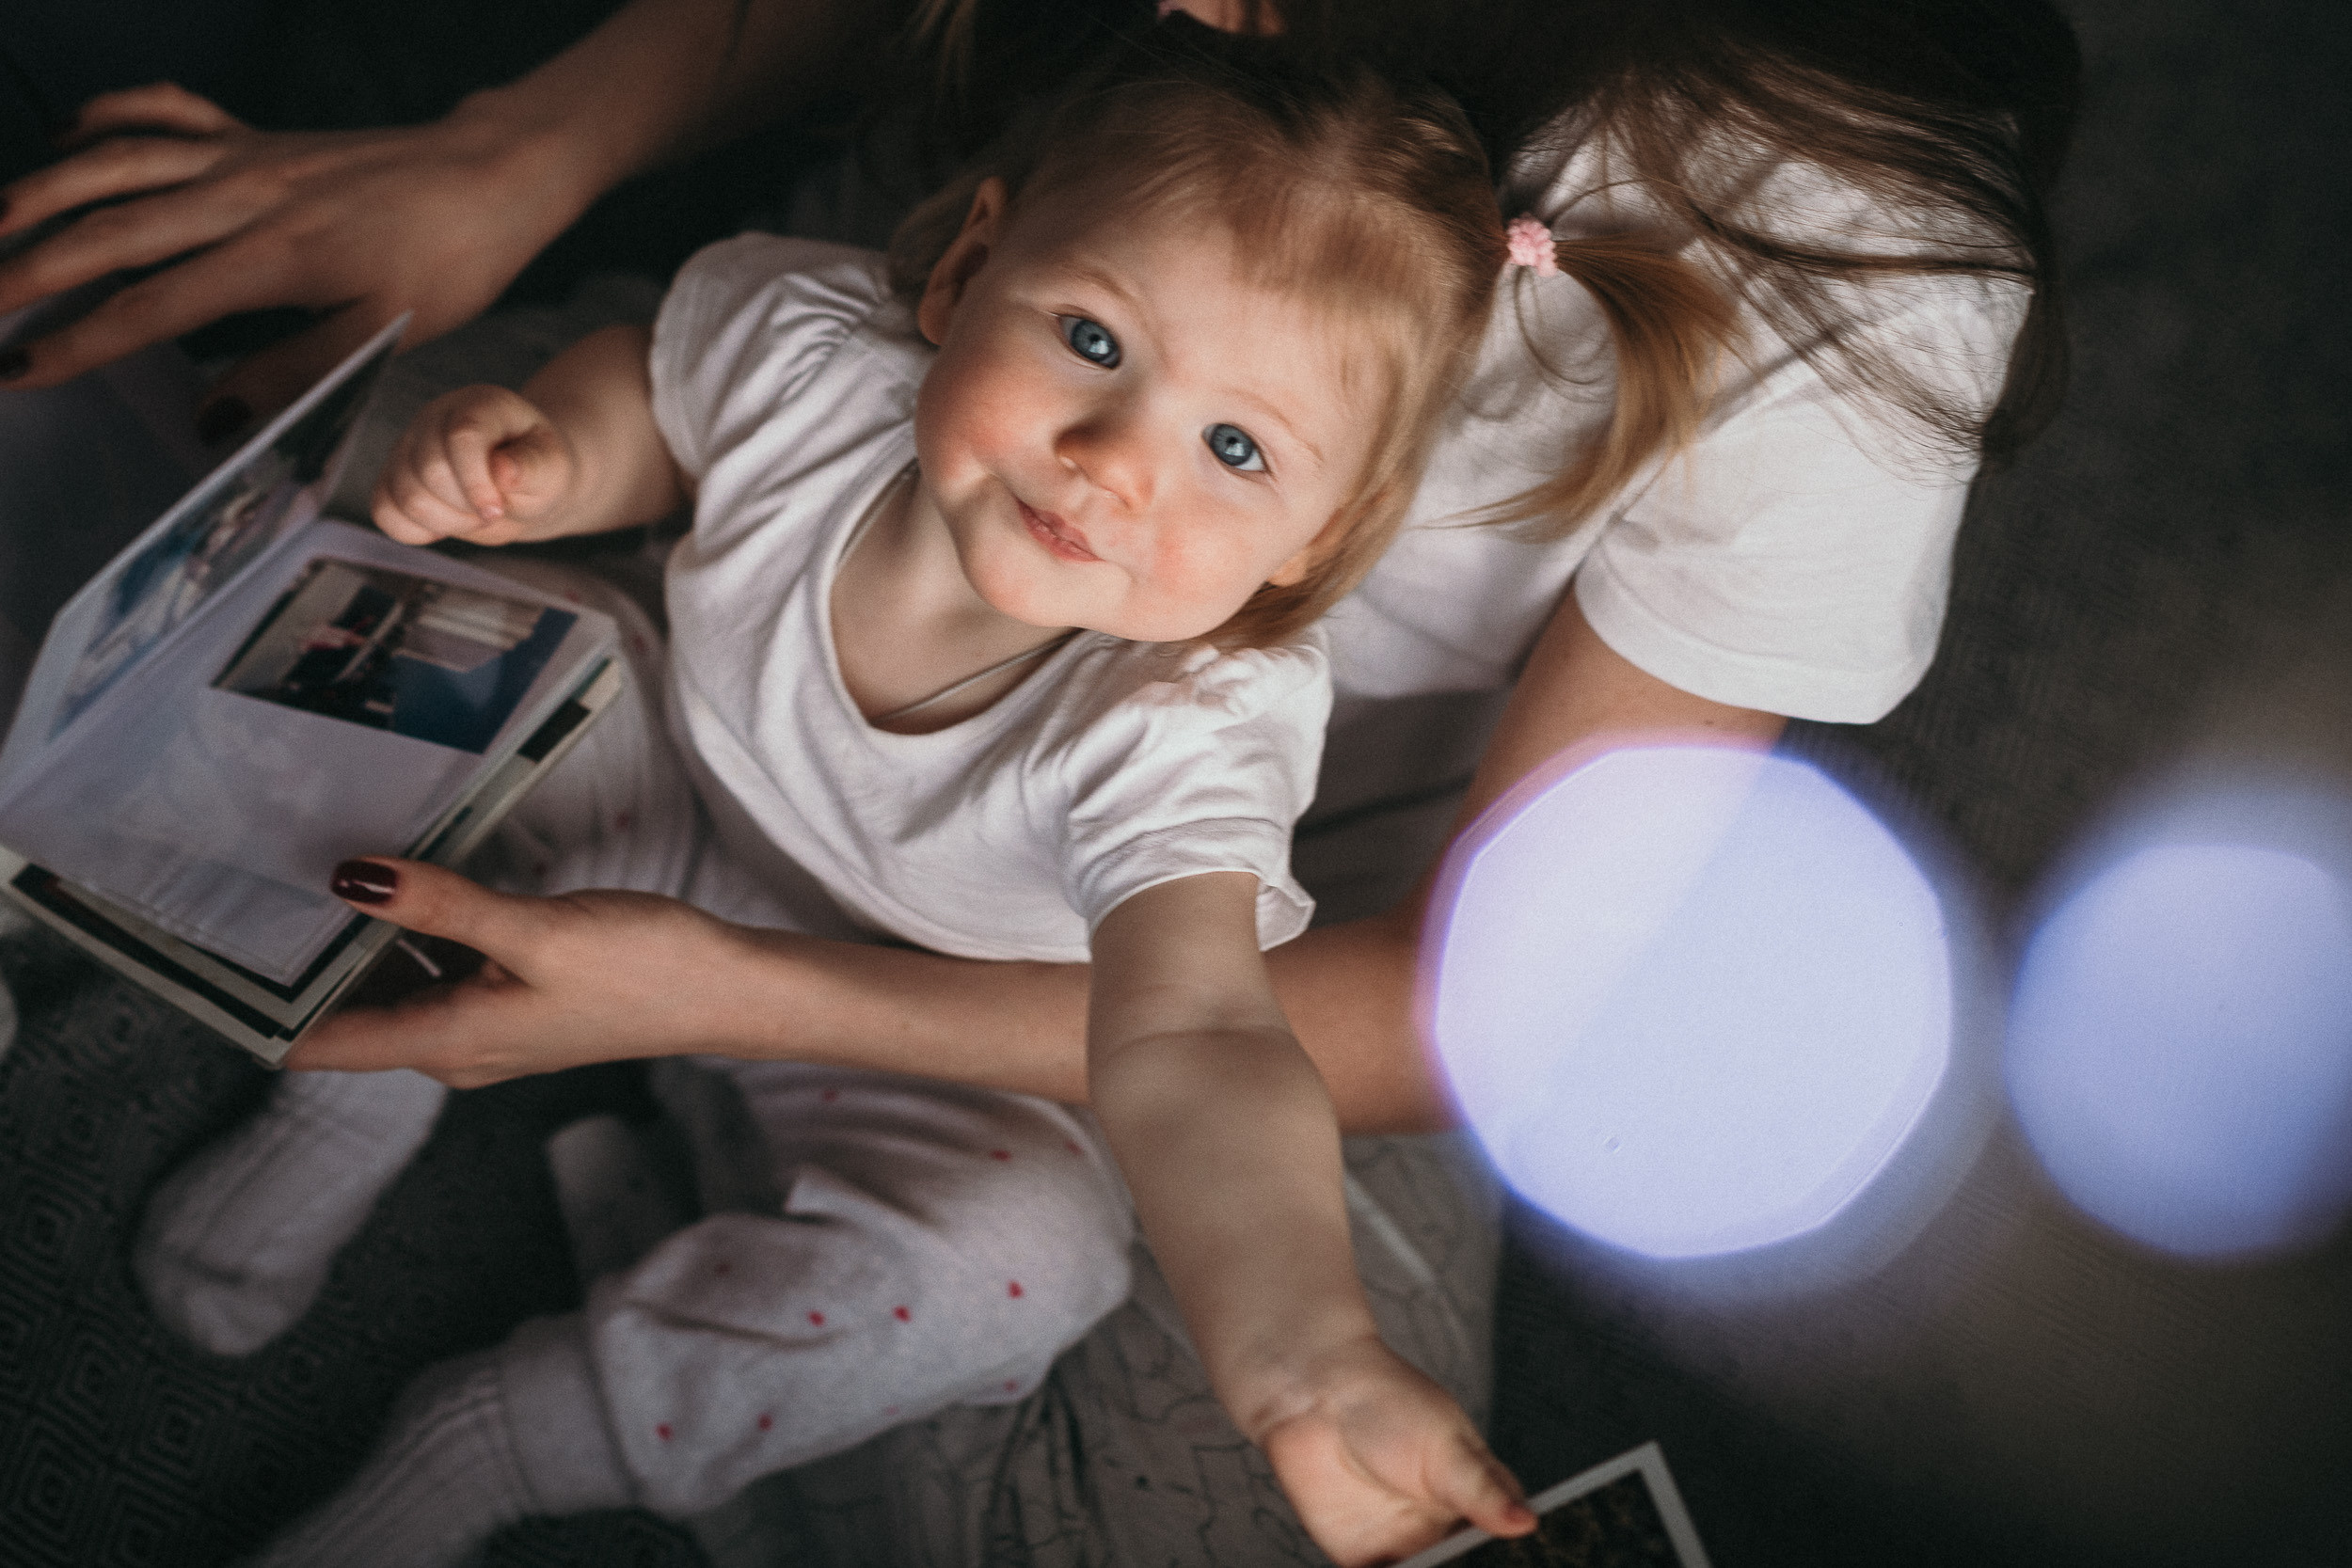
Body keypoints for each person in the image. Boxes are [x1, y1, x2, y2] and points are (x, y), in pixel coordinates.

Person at [5, 0, 2078, 1560]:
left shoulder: (1194, 733)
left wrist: (1295, 1357)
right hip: (670, 769)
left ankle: (515, 1437)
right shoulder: (814, 346)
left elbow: (1186, 1034)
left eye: (1236, 459)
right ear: (966, 263)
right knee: (446, 651)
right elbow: (665, 381)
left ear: (1324, 554)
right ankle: (345, 1094)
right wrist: (547, 449)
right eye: (1088, 344)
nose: (1113, 467)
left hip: (946, 1028)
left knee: (1033, 1245)